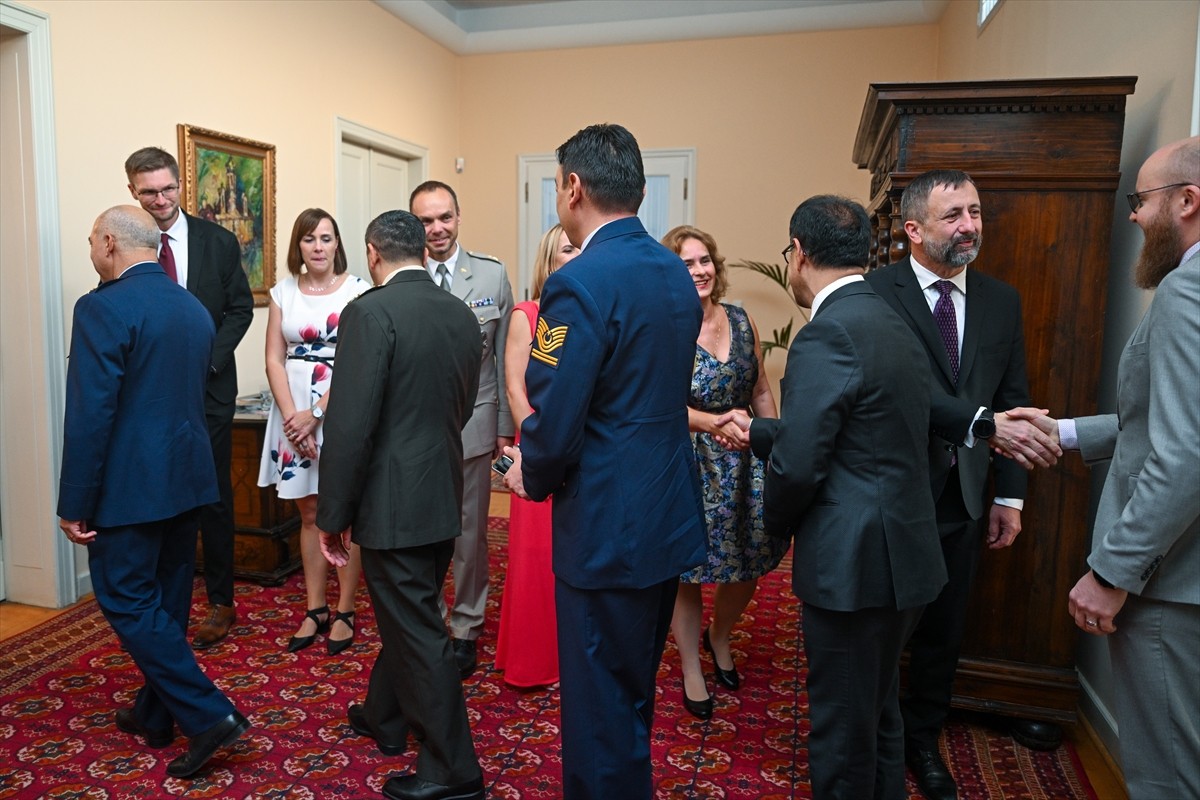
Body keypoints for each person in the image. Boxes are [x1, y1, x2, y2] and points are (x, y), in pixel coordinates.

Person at [501, 123, 706, 800]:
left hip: (605, 528)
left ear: (573, 188)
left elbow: (556, 419)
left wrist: (530, 473)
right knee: (632, 694)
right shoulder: (674, 273)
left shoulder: (579, 283)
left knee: (596, 713)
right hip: (665, 512)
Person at [722, 195, 945, 800]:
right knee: (879, 717)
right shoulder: (894, 316)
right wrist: (763, 430)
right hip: (905, 554)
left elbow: (799, 467)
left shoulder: (829, 333)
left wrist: (772, 526)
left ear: (798, 254)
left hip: (853, 568)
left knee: (842, 734)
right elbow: (869, 430)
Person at [862, 169, 1060, 800]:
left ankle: (922, 737)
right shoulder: (874, 293)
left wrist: (1009, 495)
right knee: (885, 627)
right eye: (954, 216)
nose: (970, 226)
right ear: (913, 230)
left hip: (966, 496)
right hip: (892, 494)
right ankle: (873, 738)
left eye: (975, 212)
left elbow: (1013, 402)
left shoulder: (1002, 300)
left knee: (945, 631)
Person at [1013, 136, 1199, 799]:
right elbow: (1166, 424)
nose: (1133, 217)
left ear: (1187, 200)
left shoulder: (1188, 290)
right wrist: (1062, 432)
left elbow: (1185, 454)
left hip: (1171, 584)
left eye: (1140, 200)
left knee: (1169, 773)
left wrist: (1111, 572)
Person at [57, 205, 250, 779]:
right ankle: (154, 714)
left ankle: (209, 715)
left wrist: (74, 502)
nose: (91, 250)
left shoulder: (100, 307)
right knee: (167, 601)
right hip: (188, 479)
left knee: (125, 599)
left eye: (93, 241)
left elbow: (91, 415)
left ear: (111, 242)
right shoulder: (190, 306)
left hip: (129, 486)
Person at [315, 210, 485, 800]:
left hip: (392, 504)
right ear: (422, 250)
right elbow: (462, 405)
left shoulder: (370, 311)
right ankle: (384, 716)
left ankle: (453, 768)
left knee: (417, 630)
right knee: (408, 617)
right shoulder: (460, 312)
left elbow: (350, 424)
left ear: (371, 253)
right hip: (442, 488)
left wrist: (333, 515)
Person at [125, 147, 254, 649]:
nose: (160, 200)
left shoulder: (217, 242)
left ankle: (222, 601)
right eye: (148, 192)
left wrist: (209, 361)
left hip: (210, 390)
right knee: (157, 491)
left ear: (182, 186)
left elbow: (239, 310)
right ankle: (161, 595)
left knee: (212, 494)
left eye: (167, 189)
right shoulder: (127, 242)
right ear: (132, 191)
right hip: (149, 395)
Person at [660, 224, 782, 720]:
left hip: (747, 459)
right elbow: (657, 403)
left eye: (704, 260)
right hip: (688, 460)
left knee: (751, 557)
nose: (699, 270)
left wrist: (772, 440)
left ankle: (720, 635)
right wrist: (713, 423)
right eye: (686, 263)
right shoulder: (664, 326)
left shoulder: (741, 318)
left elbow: (760, 391)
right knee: (687, 571)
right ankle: (691, 664)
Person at [410, 180, 515, 679]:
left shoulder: (491, 277)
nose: (436, 229)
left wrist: (503, 427)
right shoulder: (402, 278)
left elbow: (503, 359)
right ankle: (428, 620)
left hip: (474, 424)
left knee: (470, 535)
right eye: (426, 221)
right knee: (422, 532)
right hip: (415, 430)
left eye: (444, 217)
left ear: (458, 216)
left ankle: (467, 625)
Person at [258, 208, 370, 654]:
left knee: (345, 512)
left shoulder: (359, 291)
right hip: (291, 413)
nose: (319, 246)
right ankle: (315, 607)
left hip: (339, 409)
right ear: (298, 246)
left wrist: (317, 414)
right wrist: (293, 417)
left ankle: (346, 609)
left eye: (326, 238)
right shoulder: (283, 291)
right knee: (308, 514)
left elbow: (362, 359)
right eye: (310, 239)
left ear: (338, 244)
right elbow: (272, 358)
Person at [493, 223, 578, 688]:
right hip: (540, 451)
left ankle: (574, 659)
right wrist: (539, 445)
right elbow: (515, 388)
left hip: (582, 452)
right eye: (568, 249)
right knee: (537, 556)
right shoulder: (529, 314)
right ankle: (535, 660)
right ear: (549, 260)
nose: (577, 255)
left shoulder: (592, 310)